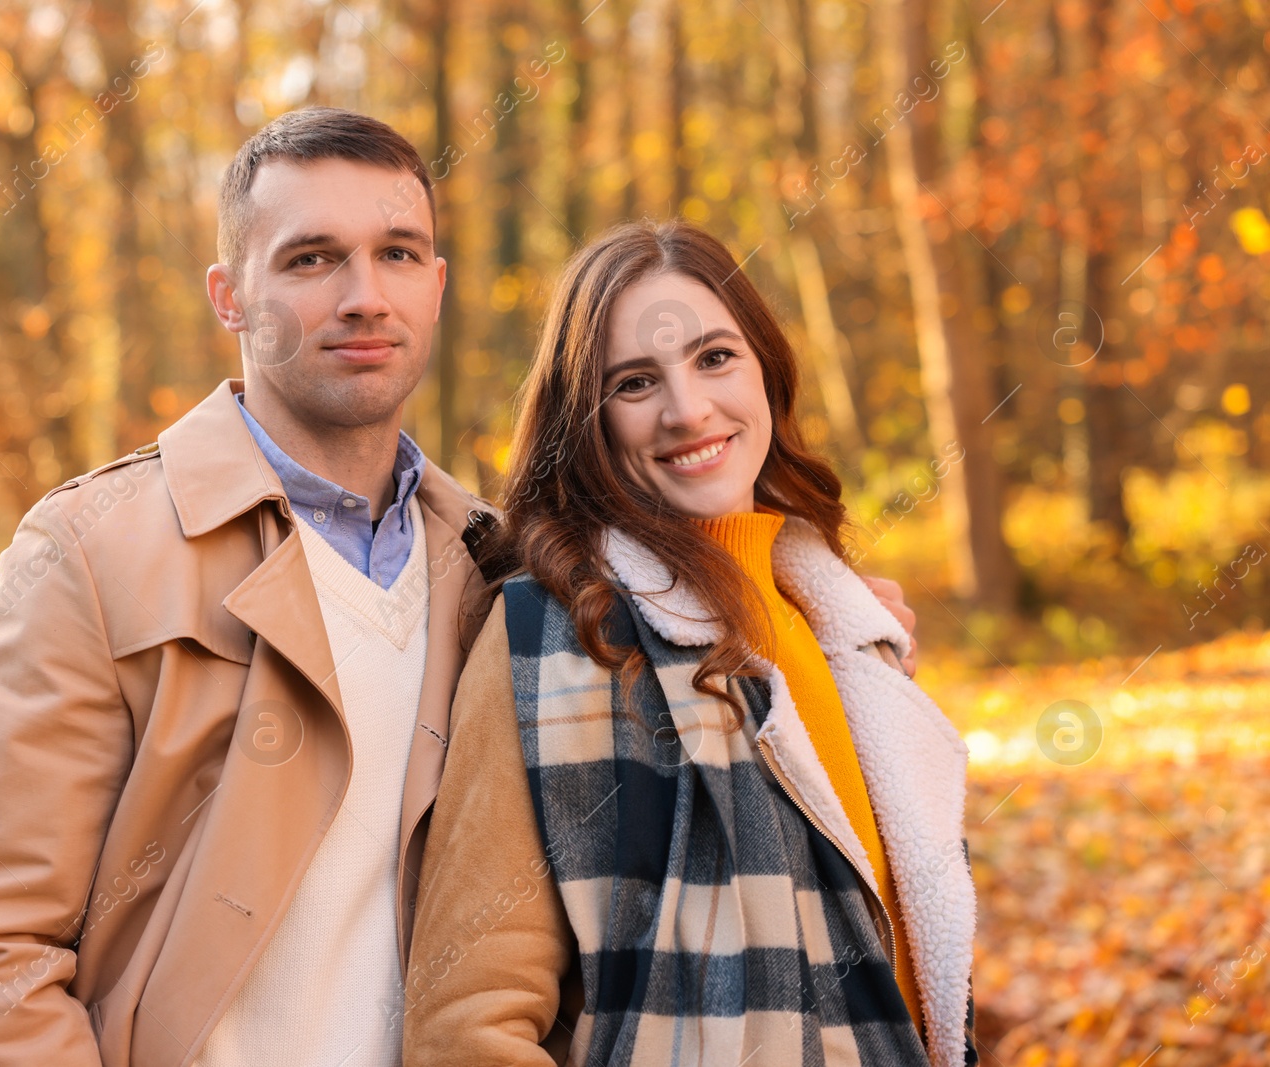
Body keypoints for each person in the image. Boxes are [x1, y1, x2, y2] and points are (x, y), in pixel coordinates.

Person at [0, 107, 921, 1067]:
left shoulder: (488, 564)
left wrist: (807, 611)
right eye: (310, 258)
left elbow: (674, 622)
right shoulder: (90, 553)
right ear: (228, 294)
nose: (362, 295)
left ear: (435, 281)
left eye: (395, 253)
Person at [401, 220, 977, 1067]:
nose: (688, 409)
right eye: (636, 382)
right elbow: (466, 1022)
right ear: (586, 422)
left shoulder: (834, 623)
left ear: (767, 370)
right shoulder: (553, 637)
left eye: (715, 357)